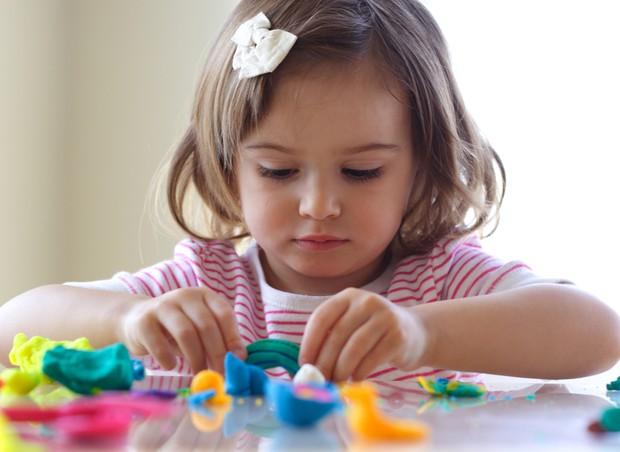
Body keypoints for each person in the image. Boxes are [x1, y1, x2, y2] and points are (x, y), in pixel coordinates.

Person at [1, 0, 619, 385]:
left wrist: (422, 333)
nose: (318, 205)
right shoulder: (205, 287)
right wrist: (128, 318)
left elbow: (598, 334)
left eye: (361, 172)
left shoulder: (437, 281)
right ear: (228, 165)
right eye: (277, 171)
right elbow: (11, 328)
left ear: (423, 164)